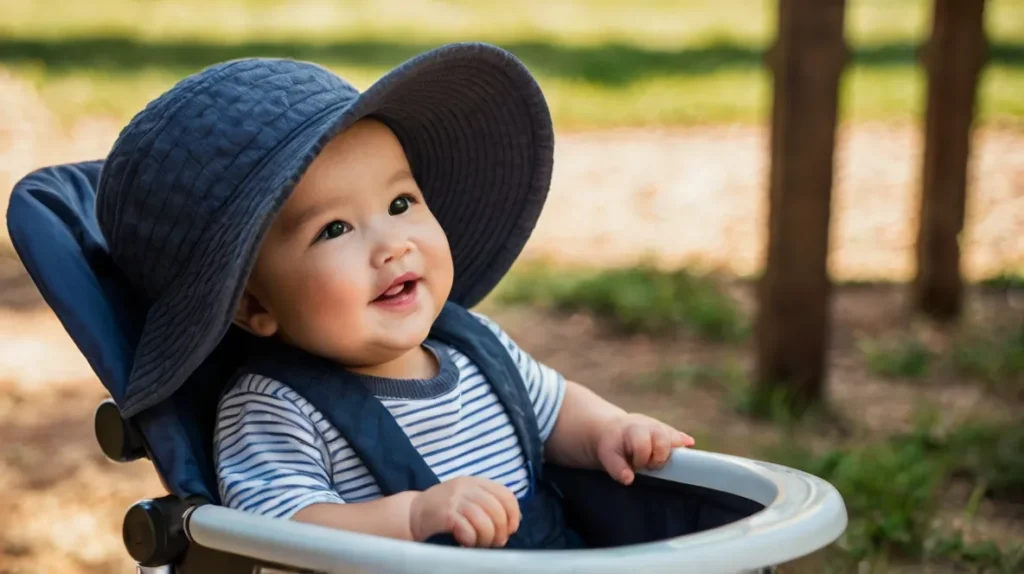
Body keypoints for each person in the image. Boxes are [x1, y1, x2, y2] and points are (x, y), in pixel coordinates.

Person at [95, 42, 694, 550]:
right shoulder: (276, 408)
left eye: (401, 203)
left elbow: (557, 409)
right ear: (254, 307)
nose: (392, 245)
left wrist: (610, 431)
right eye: (333, 230)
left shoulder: (477, 347)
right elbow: (281, 529)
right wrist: (410, 519)